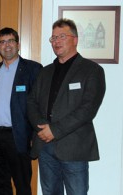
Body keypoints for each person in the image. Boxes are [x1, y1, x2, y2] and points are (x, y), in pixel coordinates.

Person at [27, 18, 106, 195]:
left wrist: (54, 130)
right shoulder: (44, 72)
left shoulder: (92, 70)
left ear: (75, 39)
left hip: (74, 148)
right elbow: (31, 101)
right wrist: (42, 128)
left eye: (62, 36)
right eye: (53, 38)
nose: (56, 42)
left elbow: (88, 109)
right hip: (45, 146)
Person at [0, 27, 42, 195]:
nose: (7, 45)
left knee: (22, 184)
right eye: (2, 42)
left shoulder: (33, 69)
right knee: (0, 184)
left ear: (18, 44)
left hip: (18, 135)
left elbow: (39, 104)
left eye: (10, 41)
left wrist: (34, 135)